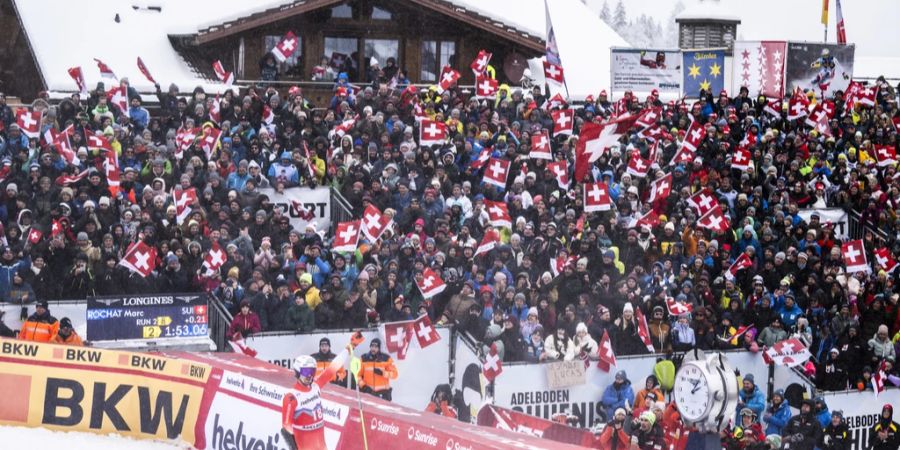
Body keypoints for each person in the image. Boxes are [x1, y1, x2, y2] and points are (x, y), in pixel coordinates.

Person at [281, 331, 363, 450]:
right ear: (298, 372)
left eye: (312, 372)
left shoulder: (316, 386)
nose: (310, 376)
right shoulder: (291, 397)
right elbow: (286, 425)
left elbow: (333, 367)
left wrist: (350, 346)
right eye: (306, 372)